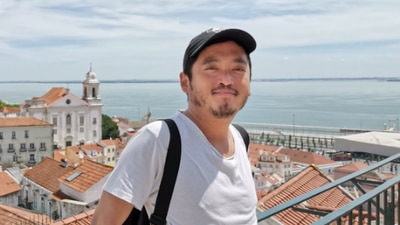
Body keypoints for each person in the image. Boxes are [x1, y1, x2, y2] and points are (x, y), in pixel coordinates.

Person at [91, 27, 258, 225]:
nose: (226, 79)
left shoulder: (241, 139)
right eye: (212, 68)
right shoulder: (158, 141)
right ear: (185, 82)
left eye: (238, 69)